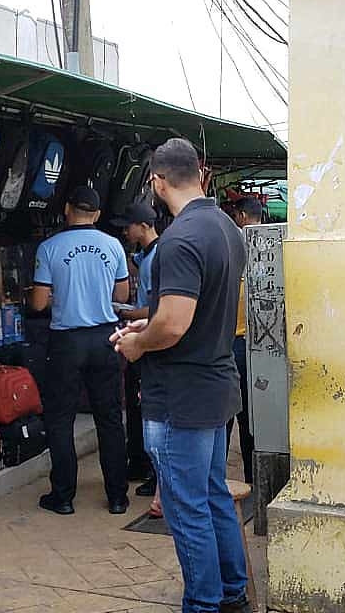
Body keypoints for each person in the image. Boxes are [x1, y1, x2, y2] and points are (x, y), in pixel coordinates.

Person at [110, 139, 250, 613]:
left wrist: (136, 342)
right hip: (215, 384)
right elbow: (195, 307)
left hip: (181, 397)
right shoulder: (227, 229)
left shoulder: (179, 238)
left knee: (187, 508)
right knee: (211, 496)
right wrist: (147, 324)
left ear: (157, 181)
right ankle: (232, 593)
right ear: (201, 174)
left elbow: (172, 324)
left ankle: (204, 603)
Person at [29, 185, 131, 516]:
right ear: (98, 214)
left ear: (68, 209)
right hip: (105, 339)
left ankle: (63, 497)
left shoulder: (49, 248)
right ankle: (117, 497)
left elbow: (39, 302)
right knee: (110, 418)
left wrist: (63, 296)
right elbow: (123, 295)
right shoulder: (113, 245)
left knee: (61, 419)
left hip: (67, 341)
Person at [109, 202, 159, 499]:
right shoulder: (146, 255)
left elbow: (154, 308)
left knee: (145, 407)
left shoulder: (156, 259)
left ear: (142, 225)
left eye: (128, 226)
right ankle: (139, 464)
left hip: (147, 340)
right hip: (143, 337)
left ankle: (154, 475)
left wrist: (124, 313)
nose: (125, 231)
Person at [228, 196, 263, 483]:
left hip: (232, 341)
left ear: (240, 215)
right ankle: (252, 477)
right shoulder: (268, 244)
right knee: (250, 415)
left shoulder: (233, 243)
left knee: (225, 412)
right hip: (257, 342)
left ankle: (217, 476)